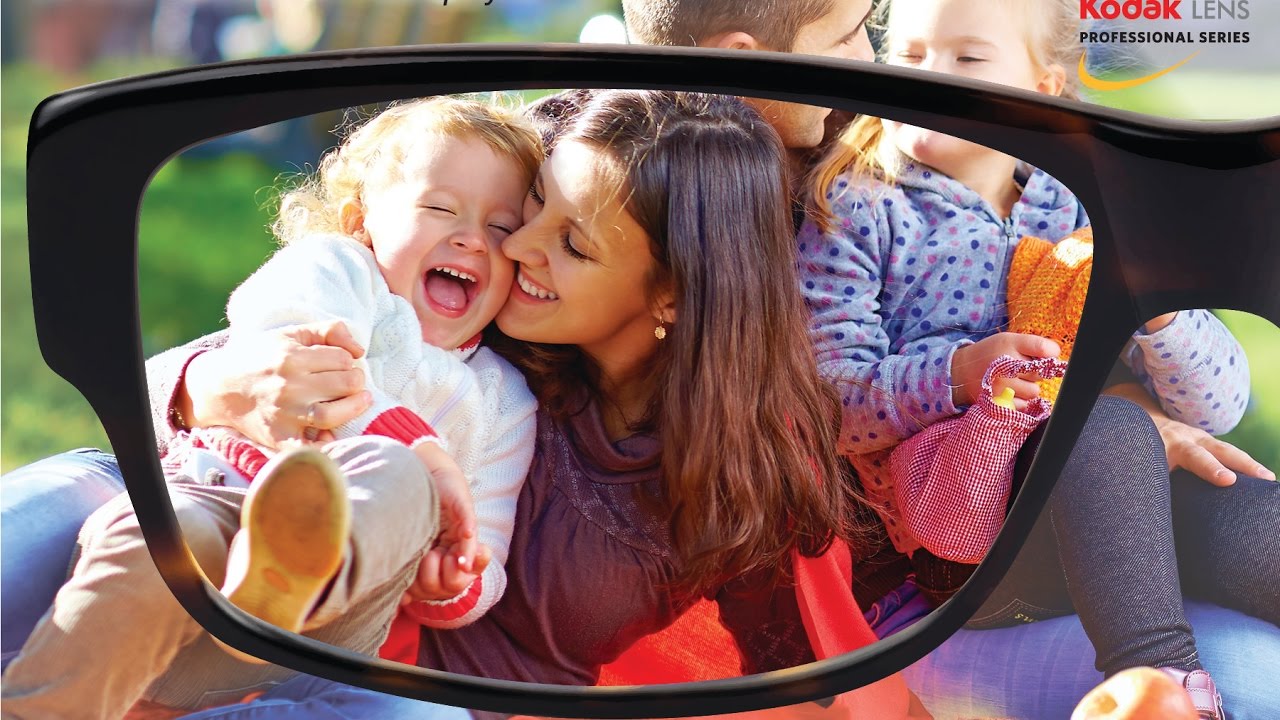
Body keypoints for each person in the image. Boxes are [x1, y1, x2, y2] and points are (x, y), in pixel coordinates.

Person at [798, 0, 1279, 717]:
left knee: (1242, 511)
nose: (930, 78)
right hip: (969, 545)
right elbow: (828, 405)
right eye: (912, 54)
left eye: (967, 58)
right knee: (1106, 427)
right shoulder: (857, 207)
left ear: (1041, 89)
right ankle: (1164, 685)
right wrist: (959, 373)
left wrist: (1162, 308)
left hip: (1119, 507)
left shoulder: (1083, 204)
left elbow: (1218, 406)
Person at [2, 96, 544, 720]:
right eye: (439, 208)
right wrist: (422, 444)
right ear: (360, 221)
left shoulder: (504, 400)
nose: (471, 239)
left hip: (328, 616)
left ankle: (286, 579)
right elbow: (294, 345)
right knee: (164, 534)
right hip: (210, 500)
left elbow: (487, 546)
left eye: (501, 229)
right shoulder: (337, 270)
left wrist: (454, 577)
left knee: (401, 478)